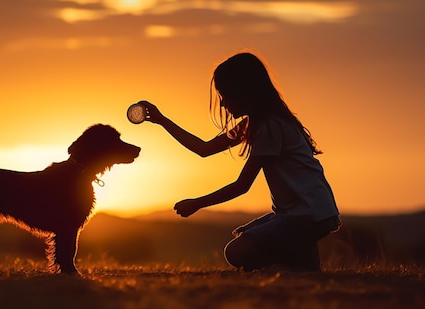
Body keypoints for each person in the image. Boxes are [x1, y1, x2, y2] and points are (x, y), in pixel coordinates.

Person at [136, 52, 341, 272]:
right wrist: (161, 120)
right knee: (246, 235)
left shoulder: (269, 127)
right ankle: (303, 259)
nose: (223, 104)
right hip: (309, 212)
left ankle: (299, 263)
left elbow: (242, 186)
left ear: (244, 91)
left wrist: (197, 203)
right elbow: (204, 149)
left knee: (236, 251)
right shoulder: (256, 124)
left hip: (308, 215)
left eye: (225, 95)